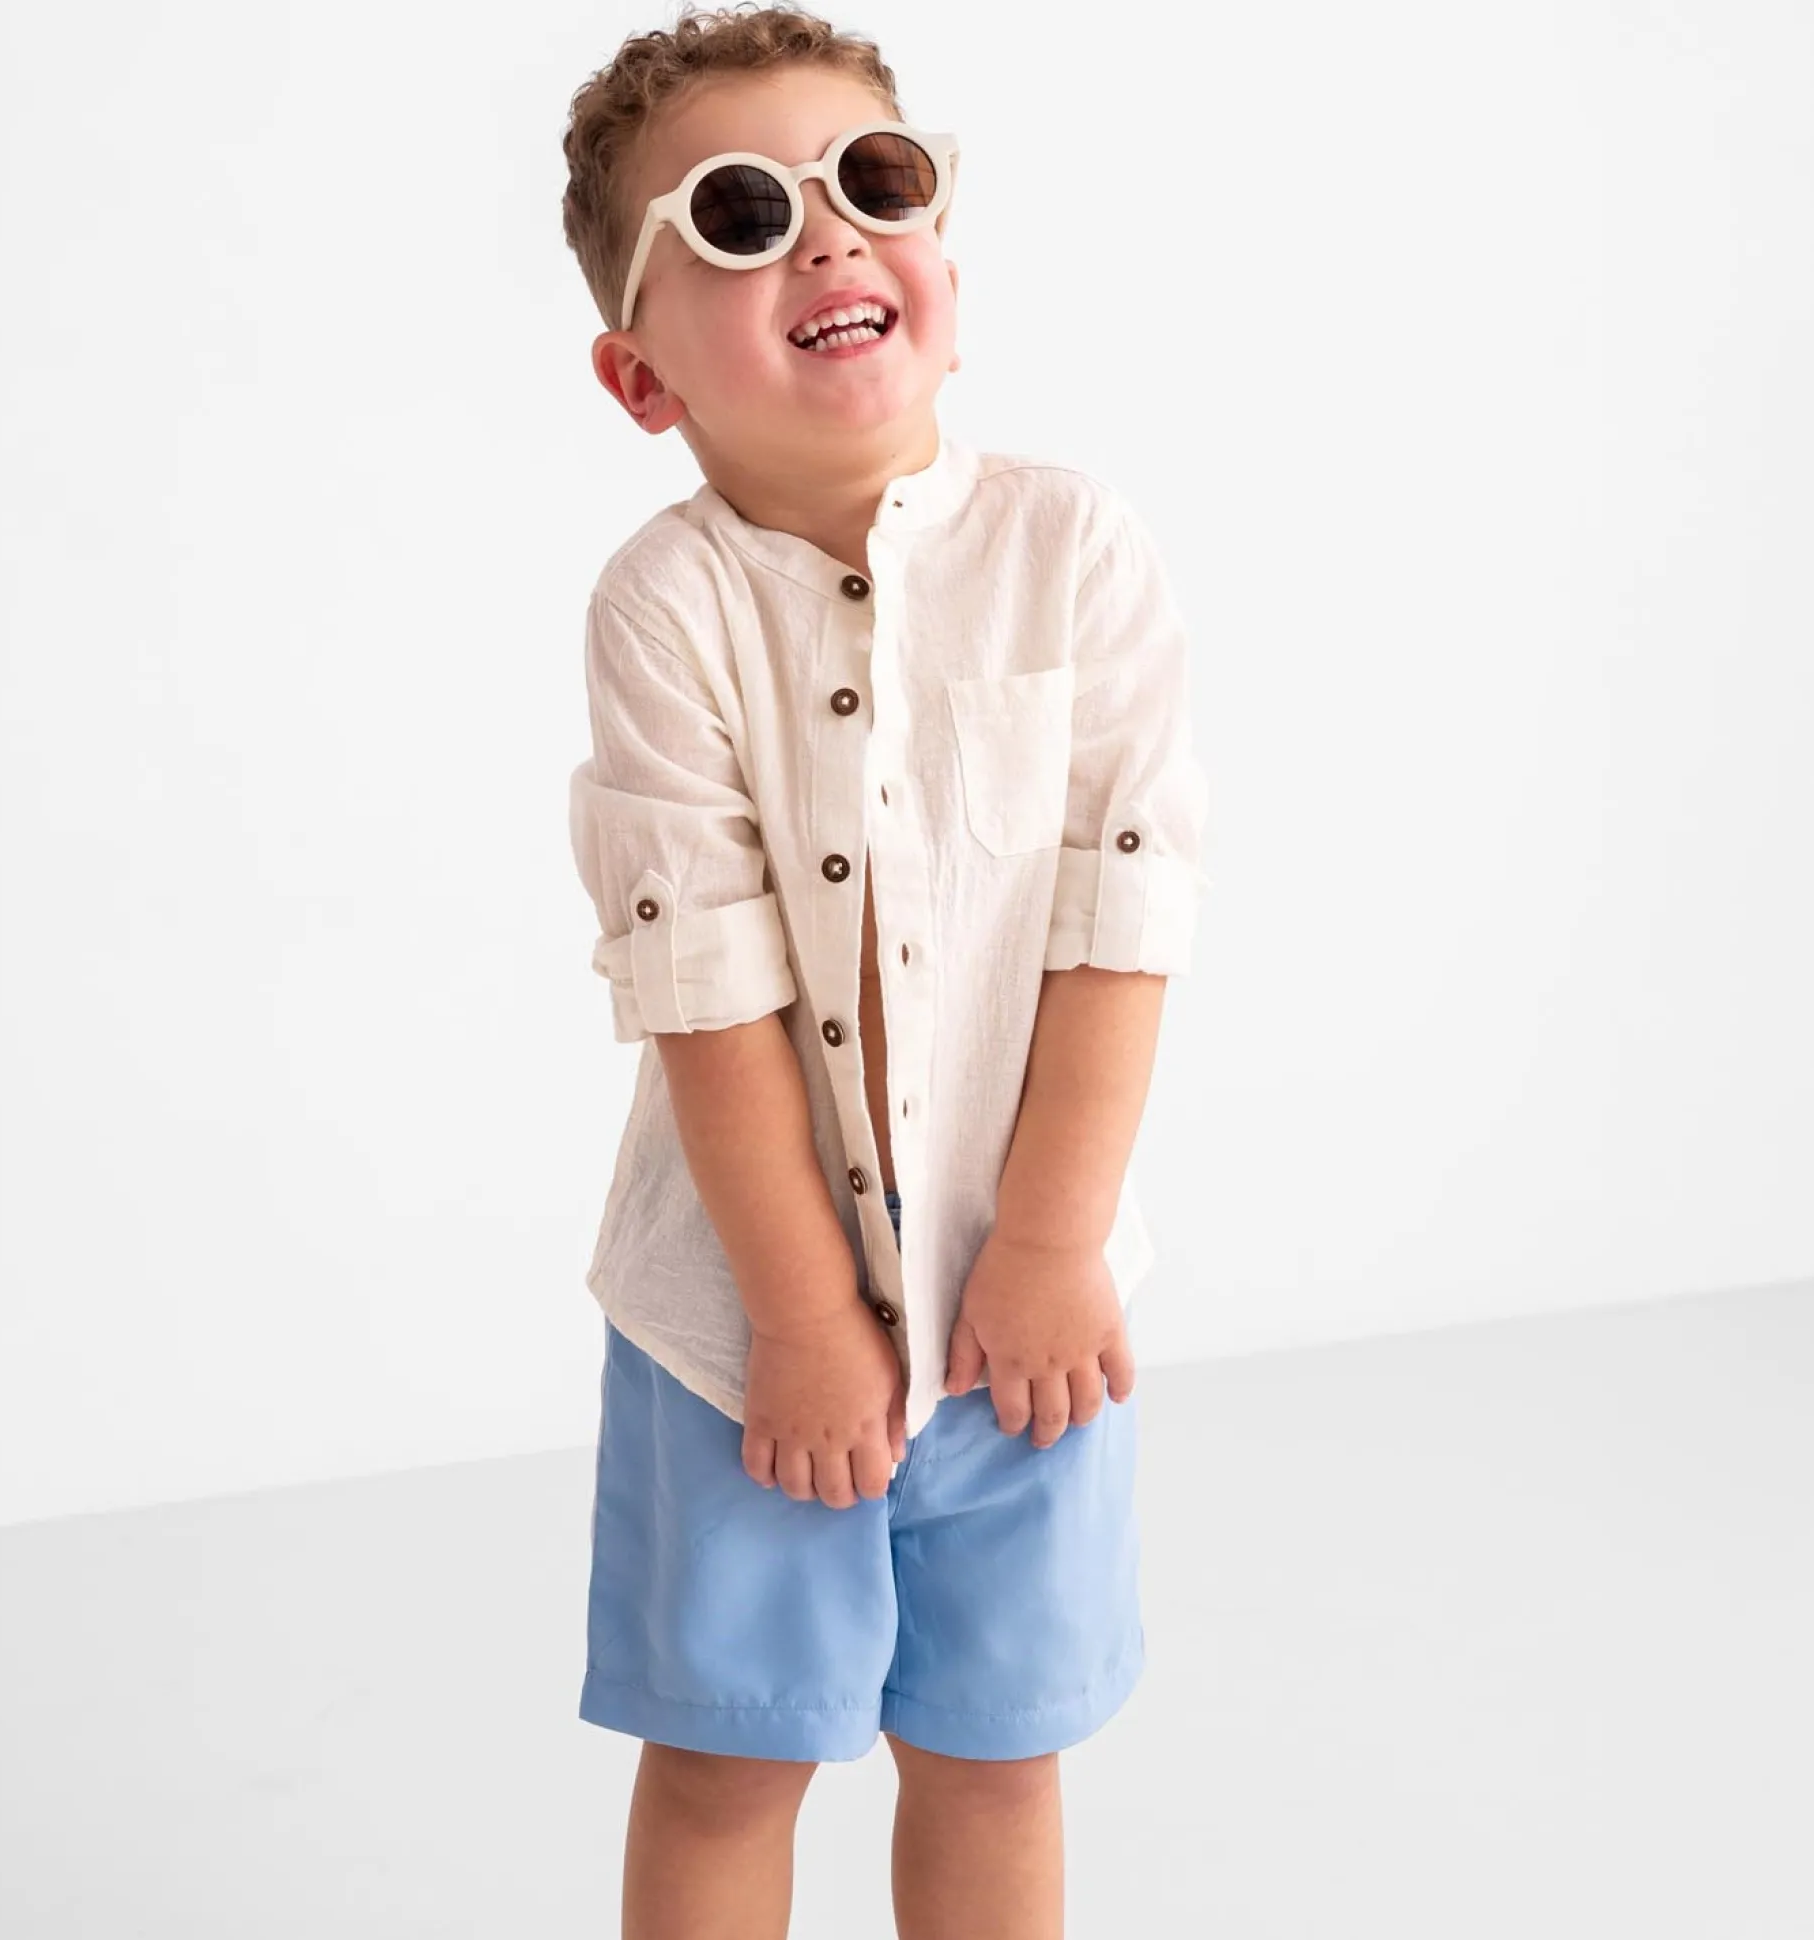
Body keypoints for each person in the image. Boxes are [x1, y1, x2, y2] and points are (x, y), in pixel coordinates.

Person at [559, 7, 1212, 1935]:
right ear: (640, 375)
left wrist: (1050, 1244)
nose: (830, 235)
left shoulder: (1075, 550)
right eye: (742, 214)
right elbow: (704, 981)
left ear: (944, 264)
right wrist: (798, 1318)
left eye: (874, 182)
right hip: (736, 1313)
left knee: (1000, 1750)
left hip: (1030, 1305)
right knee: (728, 1757)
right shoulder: (666, 607)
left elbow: (1120, 916)